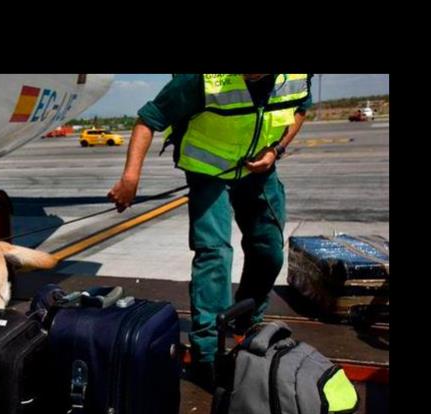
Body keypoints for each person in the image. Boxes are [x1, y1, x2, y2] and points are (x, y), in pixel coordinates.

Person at [107, 74, 312, 388]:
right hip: (208, 172)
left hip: (258, 169)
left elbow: (299, 109)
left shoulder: (296, 76)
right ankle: (207, 354)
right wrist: (130, 178)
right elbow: (148, 119)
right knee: (214, 253)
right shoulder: (204, 79)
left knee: (269, 251)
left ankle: (247, 318)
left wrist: (276, 151)